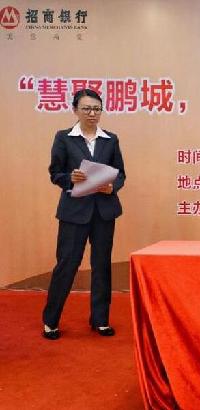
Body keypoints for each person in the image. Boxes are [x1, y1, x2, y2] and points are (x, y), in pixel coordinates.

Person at [42, 89, 125, 340]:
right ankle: (50, 321)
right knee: (67, 264)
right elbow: (55, 173)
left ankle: (100, 320)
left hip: (103, 211)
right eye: (87, 108)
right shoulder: (64, 138)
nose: (92, 113)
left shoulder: (110, 139)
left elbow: (120, 173)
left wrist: (113, 186)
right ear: (75, 110)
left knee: (102, 265)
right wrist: (70, 178)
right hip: (74, 211)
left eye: (97, 109)